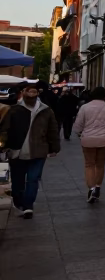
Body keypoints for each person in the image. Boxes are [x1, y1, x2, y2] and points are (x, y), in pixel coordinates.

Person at [0, 82, 61, 219]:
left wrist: (54, 147)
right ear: (22, 93)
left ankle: (28, 206)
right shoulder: (13, 110)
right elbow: (5, 129)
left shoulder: (46, 111)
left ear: (38, 94)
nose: (31, 94)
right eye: (28, 91)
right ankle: (20, 202)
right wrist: (3, 145)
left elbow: (52, 130)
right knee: (17, 182)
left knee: (33, 179)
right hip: (17, 151)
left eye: (34, 92)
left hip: (38, 151)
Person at [72, 86, 105, 205]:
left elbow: (78, 124)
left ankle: (91, 189)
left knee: (89, 164)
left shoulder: (84, 107)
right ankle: (98, 187)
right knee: (100, 164)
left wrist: (79, 133)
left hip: (88, 139)